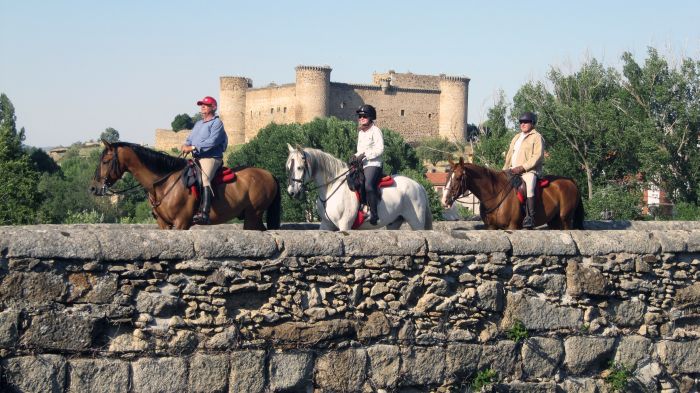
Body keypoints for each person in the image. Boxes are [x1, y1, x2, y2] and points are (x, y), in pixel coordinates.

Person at [181, 96, 228, 225]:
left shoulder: (217, 123)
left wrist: (193, 147)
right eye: (201, 104)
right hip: (197, 157)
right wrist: (186, 145)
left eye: (206, 105)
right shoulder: (198, 124)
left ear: (213, 108)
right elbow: (190, 139)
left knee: (205, 179)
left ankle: (204, 213)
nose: (202, 106)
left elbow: (212, 142)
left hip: (211, 157)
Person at [503, 111, 545, 229]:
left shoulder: (537, 137)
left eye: (526, 122)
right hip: (512, 170)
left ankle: (530, 217)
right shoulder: (516, 137)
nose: (523, 124)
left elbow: (538, 156)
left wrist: (522, 167)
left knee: (530, 187)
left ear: (532, 123)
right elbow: (509, 155)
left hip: (529, 171)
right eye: (521, 122)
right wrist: (504, 169)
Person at [353, 104, 384, 225]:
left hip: (374, 163)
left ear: (370, 117)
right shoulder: (361, 133)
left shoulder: (376, 131)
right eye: (360, 116)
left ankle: (374, 214)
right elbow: (359, 150)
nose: (361, 118)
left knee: (368, 185)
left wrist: (366, 155)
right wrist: (355, 156)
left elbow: (380, 149)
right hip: (362, 164)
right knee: (352, 181)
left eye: (364, 116)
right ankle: (360, 208)